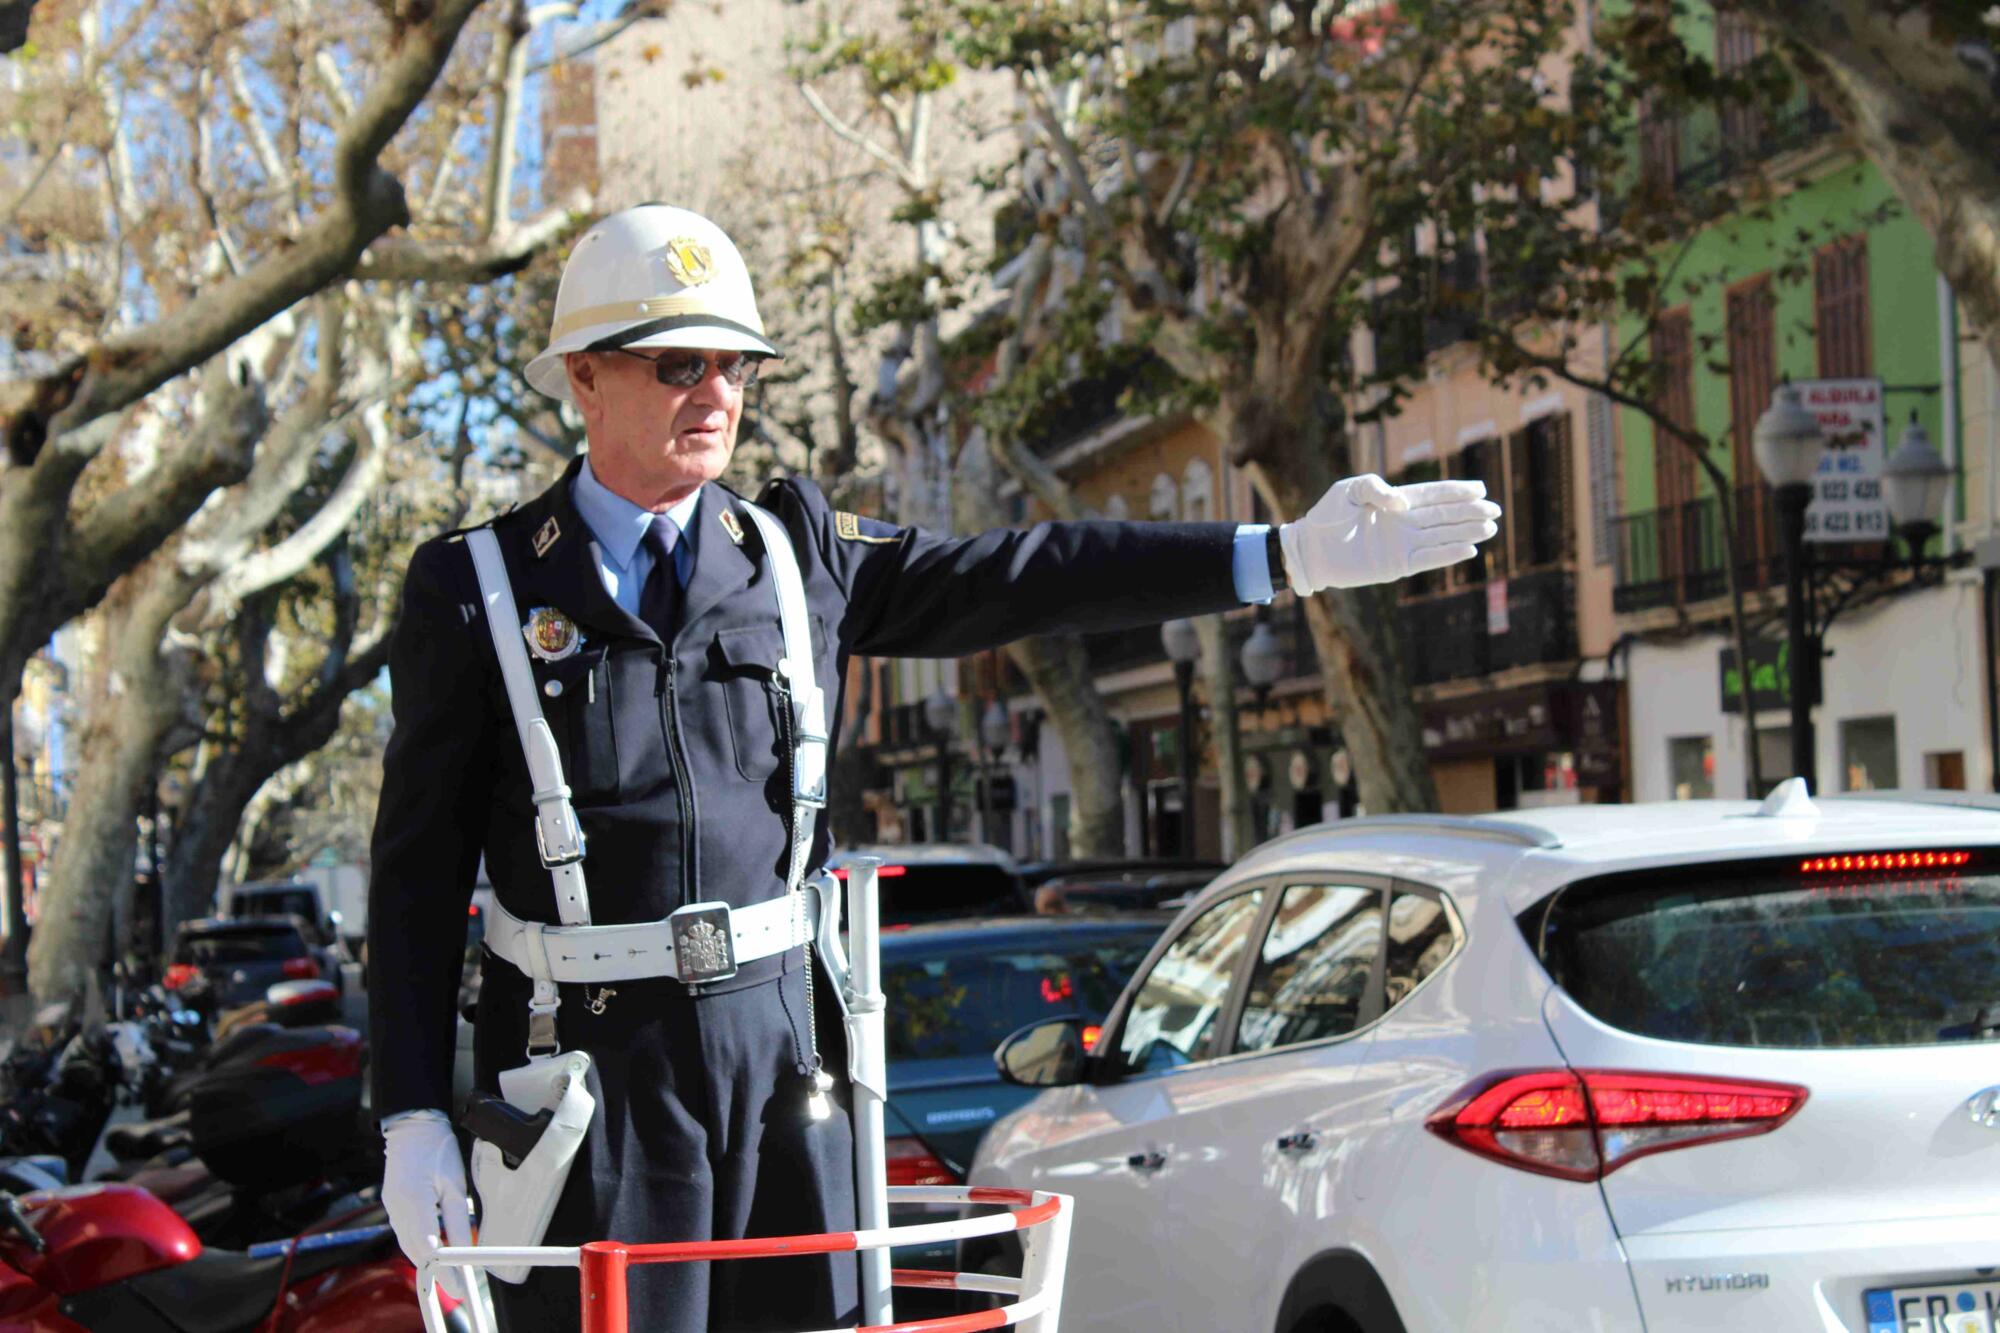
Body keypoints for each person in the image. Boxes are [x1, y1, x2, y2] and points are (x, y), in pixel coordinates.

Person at [368, 203, 1500, 1331]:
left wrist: (1281, 554)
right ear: (584, 377)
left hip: (778, 1063)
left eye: (735, 366)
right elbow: (415, 873)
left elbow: (1019, 573)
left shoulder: (784, 553)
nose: (714, 394)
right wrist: (410, 1110)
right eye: (676, 365)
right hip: (587, 1078)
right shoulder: (483, 587)